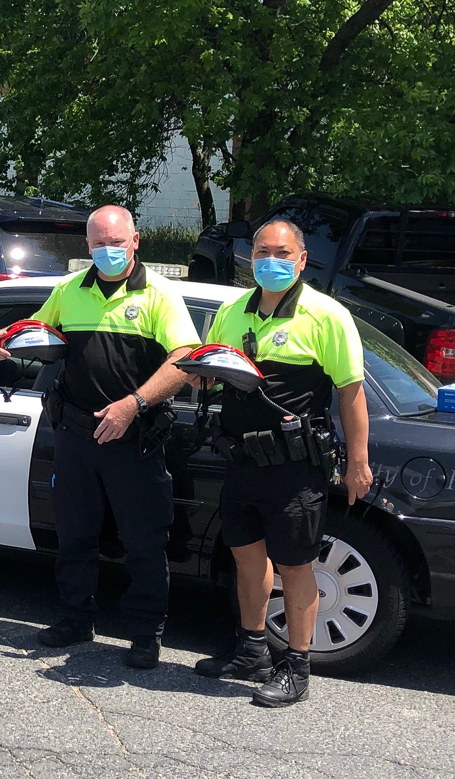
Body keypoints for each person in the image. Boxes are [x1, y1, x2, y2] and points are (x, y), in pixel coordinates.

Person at [0, 206, 201, 669]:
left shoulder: (160, 294)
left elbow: (184, 358)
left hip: (133, 436)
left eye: (117, 243)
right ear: (87, 246)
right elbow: (35, 334)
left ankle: (145, 635)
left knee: (144, 541)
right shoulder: (69, 290)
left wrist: (133, 404)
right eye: (99, 243)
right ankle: (76, 617)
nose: (108, 251)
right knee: (75, 534)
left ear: (135, 241)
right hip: (78, 435)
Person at [192, 219, 373, 707]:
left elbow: (351, 393)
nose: (270, 260)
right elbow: (214, 373)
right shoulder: (232, 311)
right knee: (247, 558)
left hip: (295, 468)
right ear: (251, 258)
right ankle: (251, 651)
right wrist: (200, 377)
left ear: (301, 259)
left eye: (281, 252)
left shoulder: (326, 315)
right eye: (262, 252)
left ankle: (296, 666)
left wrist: (359, 461)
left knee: (296, 566)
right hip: (242, 461)